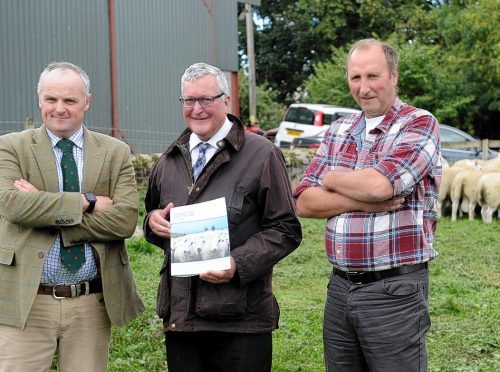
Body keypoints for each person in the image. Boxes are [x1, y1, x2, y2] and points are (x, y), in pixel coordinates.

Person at [144, 62, 302, 371]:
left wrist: (238, 264)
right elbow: (152, 218)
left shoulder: (262, 154)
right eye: (189, 100)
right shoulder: (169, 159)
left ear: (226, 101)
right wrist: (153, 222)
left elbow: (286, 228)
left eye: (207, 99)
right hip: (181, 319)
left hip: (241, 321)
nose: (197, 109)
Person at [294, 39, 441, 371]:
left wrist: (330, 179)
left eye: (373, 76)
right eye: (355, 78)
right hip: (340, 286)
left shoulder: (418, 123)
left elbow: (381, 184)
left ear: (393, 76)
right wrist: (361, 199)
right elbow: (303, 201)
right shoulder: (339, 128)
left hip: (394, 290)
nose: (364, 88)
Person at [0, 61, 144, 371]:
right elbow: (12, 206)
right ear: (39, 99)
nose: (59, 108)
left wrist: (42, 205)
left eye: (70, 100)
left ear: (87, 101)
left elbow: (124, 221)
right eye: (51, 99)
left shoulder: (114, 151)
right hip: (26, 299)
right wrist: (87, 201)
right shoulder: (11, 147)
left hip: (90, 303)